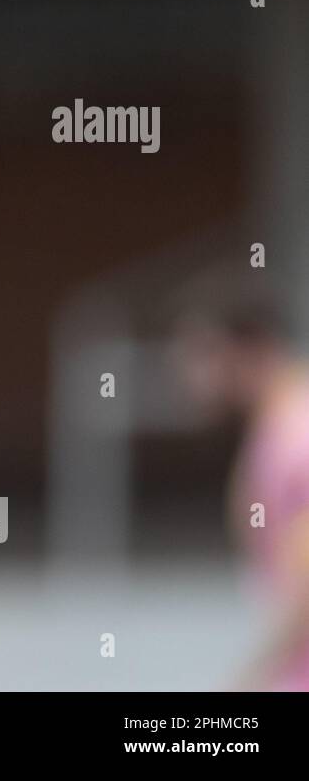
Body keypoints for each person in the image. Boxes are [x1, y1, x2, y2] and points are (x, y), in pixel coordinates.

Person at [172, 285, 309, 690]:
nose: (190, 375)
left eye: (204, 353)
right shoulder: (278, 432)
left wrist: (247, 682)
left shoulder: (294, 442)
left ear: (251, 346)